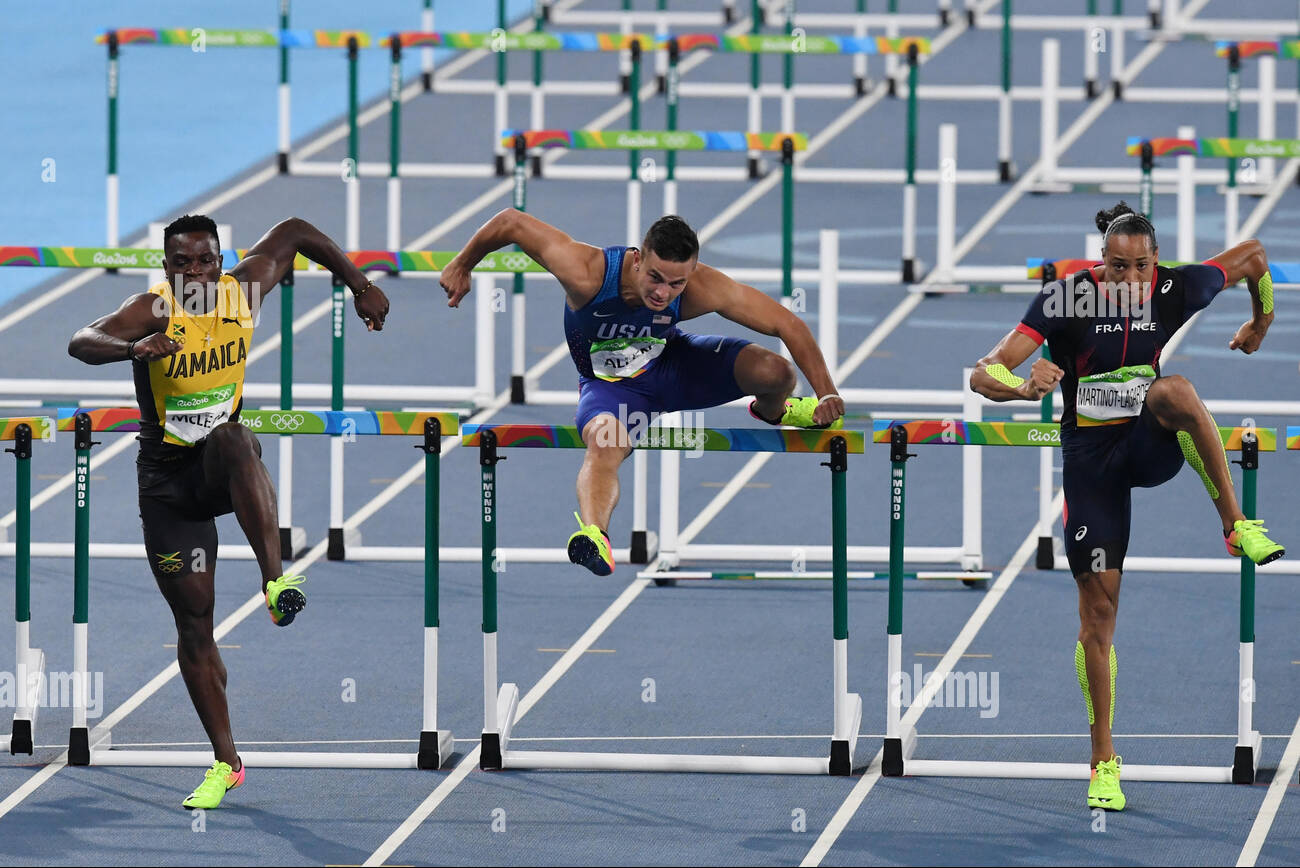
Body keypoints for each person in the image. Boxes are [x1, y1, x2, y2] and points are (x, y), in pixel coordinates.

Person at [970, 202, 1284, 812]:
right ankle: (1103, 761)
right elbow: (984, 374)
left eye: (1141, 268)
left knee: (1175, 390)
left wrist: (1260, 324)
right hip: (1091, 462)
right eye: (1117, 268)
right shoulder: (1063, 301)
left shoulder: (1175, 287)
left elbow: (1253, 256)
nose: (1130, 281)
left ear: (1156, 263)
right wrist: (1021, 384)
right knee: (1098, 614)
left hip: (1149, 444)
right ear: (1100, 263)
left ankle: (1234, 524)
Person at [68, 214, 389, 808]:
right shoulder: (154, 310)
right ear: (167, 267)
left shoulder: (244, 292)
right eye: (181, 263)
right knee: (194, 623)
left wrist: (357, 283)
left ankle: (275, 580)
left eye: (205, 260)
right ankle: (226, 762)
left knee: (234, 439)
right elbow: (82, 341)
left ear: (221, 260)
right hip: (167, 483)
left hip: (222, 471)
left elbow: (295, 232)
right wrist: (133, 348)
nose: (194, 272)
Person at [439, 212, 846, 576]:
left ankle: (774, 412)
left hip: (675, 367)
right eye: (655, 278)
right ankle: (595, 535)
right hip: (614, 391)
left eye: (676, 283)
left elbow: (787, 324)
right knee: (604, 442)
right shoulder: (587, 272)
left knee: (776, 371)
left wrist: (826, 394)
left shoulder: (700, 287)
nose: (663, 294)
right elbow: (511, 222)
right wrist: (462, 263)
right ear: (638, 259)